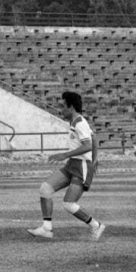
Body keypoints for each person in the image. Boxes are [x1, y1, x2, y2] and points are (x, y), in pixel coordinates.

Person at [27, 91, 106, 241]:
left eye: (63, 106)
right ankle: (46, 228)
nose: (61, 110)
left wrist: (66, 155)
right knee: (45, 189)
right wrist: (95, 160)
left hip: (81, 166)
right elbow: (94, 137)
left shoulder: (79, 122)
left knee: (69, 204)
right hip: (73, 164)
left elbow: (88, 144)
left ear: (71, 108)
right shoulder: (76, 121)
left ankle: (96, 225)